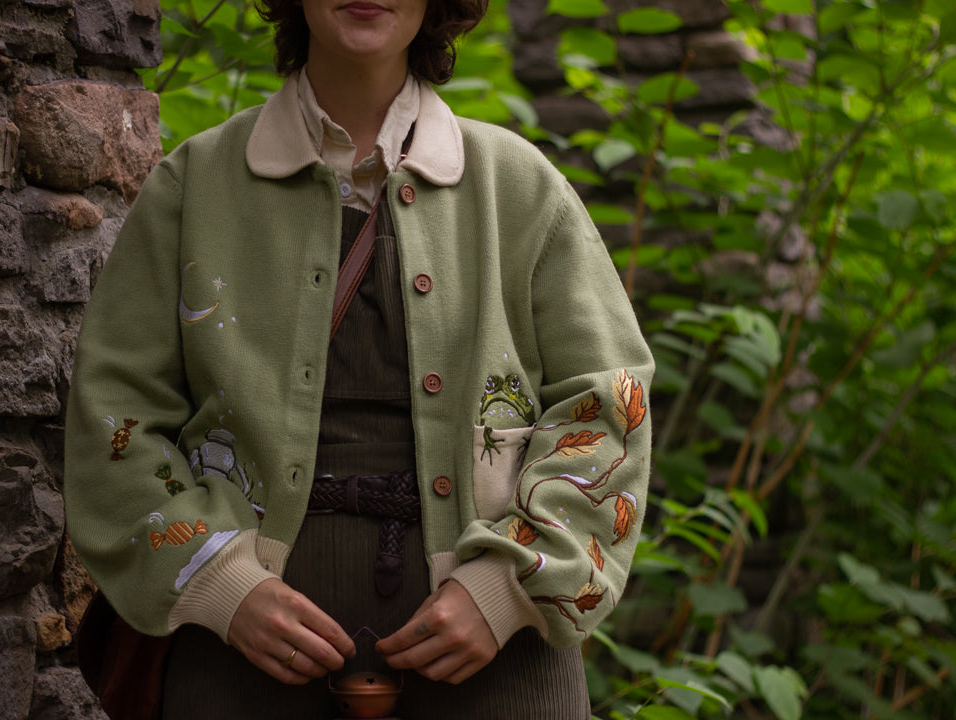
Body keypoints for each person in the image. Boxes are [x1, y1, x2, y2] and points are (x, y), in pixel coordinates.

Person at [63, 0, 654, 717]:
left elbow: (607, 402)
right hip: (238, 671)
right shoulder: (196, 186)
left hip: (501, 667)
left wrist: (505, 591)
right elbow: (115, 413)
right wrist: (222, 586)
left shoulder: (521, 188)